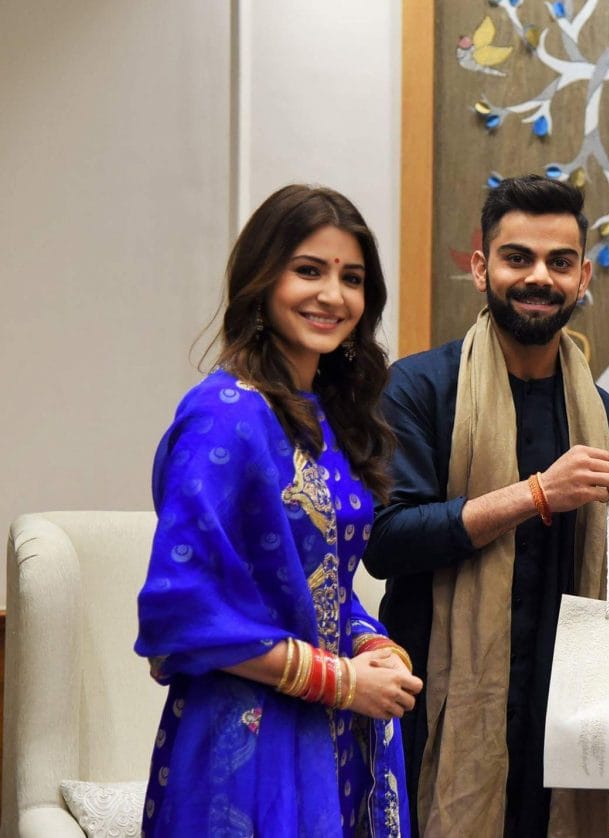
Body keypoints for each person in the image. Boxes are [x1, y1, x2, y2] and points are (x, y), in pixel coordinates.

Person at [135, 184, 423, 837]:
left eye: (351, 278)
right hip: (246, 740)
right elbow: (182, 610)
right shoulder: (222, 415)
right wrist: (342, 682)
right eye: (309, 270)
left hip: (331, 734)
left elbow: (320, 587)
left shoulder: (327, 416)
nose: (333, 295)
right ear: (260, 280)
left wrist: (371, 645)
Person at [362, 174, 609, 837]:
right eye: (519, 258)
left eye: (559, 262)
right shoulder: (419, 388)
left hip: (562, 725)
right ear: (483, 269)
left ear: (583, 276)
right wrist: (536, 494)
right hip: (433, 708)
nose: (539, 277)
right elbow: (386, 541)